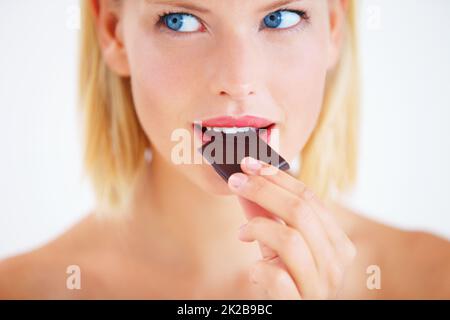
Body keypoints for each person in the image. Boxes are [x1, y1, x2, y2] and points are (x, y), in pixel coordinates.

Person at [1, 0, 449, 299]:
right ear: (113, 32)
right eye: (180, 20)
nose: (238, 81)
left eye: (280, 17)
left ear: (333, 26)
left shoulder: (432, 280)